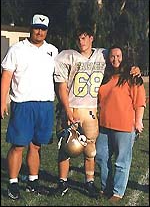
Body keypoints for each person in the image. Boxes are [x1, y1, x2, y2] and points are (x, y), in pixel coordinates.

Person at [53, 26, 141, 198]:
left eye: (84, 38)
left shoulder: (103, 54)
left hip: (91, 110)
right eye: (78, 38)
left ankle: (90, 182)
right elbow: (61, 85)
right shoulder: (66, 56)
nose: (81, 42)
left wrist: (134, 67)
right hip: (72, 108)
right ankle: (62, 182)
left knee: (91, 149)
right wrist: (66, 108)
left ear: (92, 38)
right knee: (65, 147)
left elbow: (119, 58)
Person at [1, 14, 58, 200]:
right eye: (36, 27)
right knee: (18, 145)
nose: (39, 31)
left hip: (45, 104)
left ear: (47, 30)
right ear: (30, 28)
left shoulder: (53, 51)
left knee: (36, 145)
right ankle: (13, 183)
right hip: (23, 104)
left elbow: (60, 78)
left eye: (43, 28)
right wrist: (2, 101)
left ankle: (33, 181)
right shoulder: (16, 49)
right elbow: (6, 77)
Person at [96, 45, 146, 202]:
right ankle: (106, 187)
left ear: (124, 57)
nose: (115, 59)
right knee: (101, 156)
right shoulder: (105, 76)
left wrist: (138, 121)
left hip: (124, 126)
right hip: (104, 125)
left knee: (121, 161)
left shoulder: (132, 76)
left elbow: (140, 101)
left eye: (118, 56)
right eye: (112, 56)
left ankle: (118, 192)